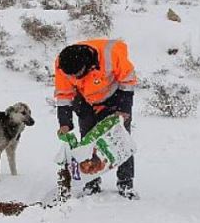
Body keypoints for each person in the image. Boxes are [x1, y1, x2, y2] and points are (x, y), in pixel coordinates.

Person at [54, 39, 139, 199]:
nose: (74, 78)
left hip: (115, 98)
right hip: (86, 102)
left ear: (89, 65)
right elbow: (64, 95)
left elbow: (128, 81)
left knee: (121, 141)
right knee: (87, 143)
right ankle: (91, 183)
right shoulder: (63, 64)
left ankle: (126, 183)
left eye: (77, 75)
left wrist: (123, 110)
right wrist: (64, 123)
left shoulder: (111, 54)